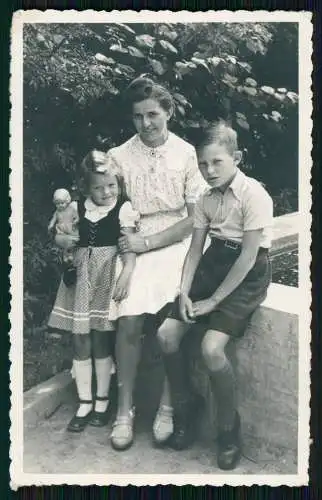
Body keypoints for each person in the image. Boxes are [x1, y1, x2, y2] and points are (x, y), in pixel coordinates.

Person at [157, 121, 273, 470]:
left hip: (245, 273)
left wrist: (213, 301)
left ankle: (227, 430)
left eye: (216, 162)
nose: (208, 171)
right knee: (165, 335)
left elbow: (249, 257)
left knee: (210, 348)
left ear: (237, 158)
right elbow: (194, 252)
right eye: (203, 163)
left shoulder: (255, 196)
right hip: (212, 265)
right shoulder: (204, 199)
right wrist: (184, 291)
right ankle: (185, 407)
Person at [106, 77, 207, 450]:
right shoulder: (119, 156)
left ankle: (167, 407)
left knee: (170, 319)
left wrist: (150, 242)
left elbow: (195, 218)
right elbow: (111, 209)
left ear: (168, 111)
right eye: (138, 117)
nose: (146, 123)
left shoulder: (186, 154)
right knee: (129, 316)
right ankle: (123, 411)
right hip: (133, 244)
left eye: (152, 114)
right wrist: (132, 254)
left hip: (178, 241)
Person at [48, 150, 139, 432]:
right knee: (80, 340)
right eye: (98, 187)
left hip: (106, 275)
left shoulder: (123, 208)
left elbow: (130, 246)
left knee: (101, 338)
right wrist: (64, 240)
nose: (106, 192)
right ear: (86, 187)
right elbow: (58, 235)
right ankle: (84, 401)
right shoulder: (77, 207)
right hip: (81, 275)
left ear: (119, 184)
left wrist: (126, 273)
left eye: (111, 185)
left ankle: (102, 401)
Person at [48, 188, 80, 287]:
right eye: (57, 203)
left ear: (67, 201)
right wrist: (50, 225)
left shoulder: (71, 209)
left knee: (72, 243)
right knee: (66, 244)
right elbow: (53, 220)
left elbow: (77, 217)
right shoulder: (57, 212)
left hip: (71, 231)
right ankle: (67, 259)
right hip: (62, 233)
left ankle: (70, 260)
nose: (60, 205)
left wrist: (76, 221)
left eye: (62, 203)